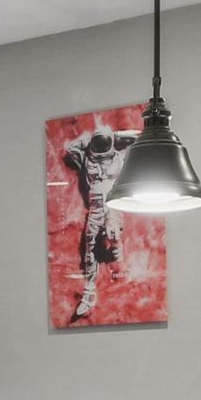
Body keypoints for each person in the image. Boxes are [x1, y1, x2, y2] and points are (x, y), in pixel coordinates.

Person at [59, 121, 140, 323]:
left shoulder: (120, 154)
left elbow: (140, 136)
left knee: (113, 238)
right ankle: (89, 292)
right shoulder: (86, 156)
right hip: (95, 208)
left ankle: (118, 258)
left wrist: (116, 135)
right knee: (90, 247)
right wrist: (90, 140)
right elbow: (69, 149)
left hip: (113, 206)